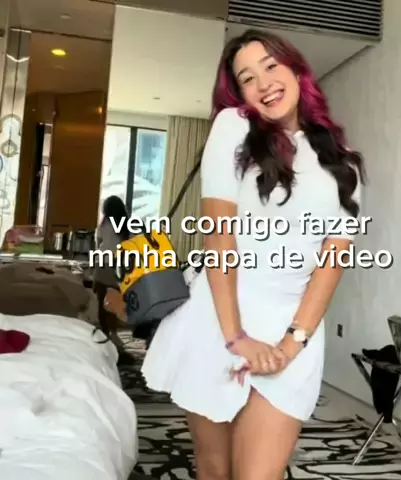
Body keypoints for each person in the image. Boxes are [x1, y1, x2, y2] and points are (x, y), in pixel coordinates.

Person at [141, 28, 366, 479]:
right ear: (239, 93)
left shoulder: (344, 164)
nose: (264, 83)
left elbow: (332, 262)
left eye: (271, 66)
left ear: (297, 71)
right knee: (215, 470)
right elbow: (218, 236)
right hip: (219, 319)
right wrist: (236, 338)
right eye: (247, 78)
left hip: (292, 329)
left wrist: (292, 342)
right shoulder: (234, 128)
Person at [94, 195, 135, 365]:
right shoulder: (127, 225)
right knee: (115, 303)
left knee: (101, 303)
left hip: (103, 264)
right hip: (119, 267)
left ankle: (105, 334)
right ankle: (115, 334)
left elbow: (98, 243)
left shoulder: (104, 225)